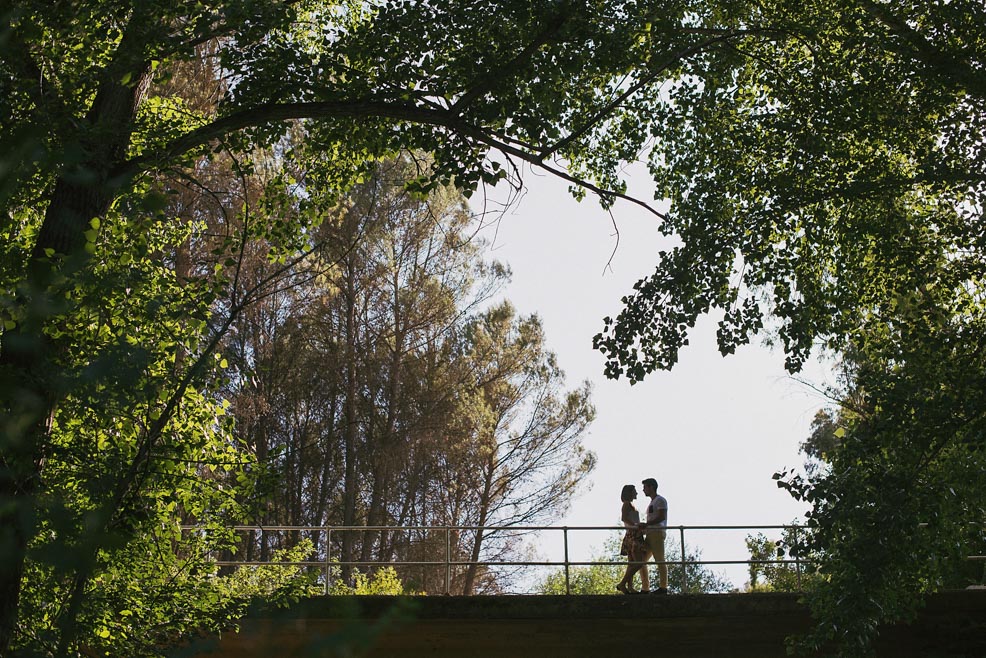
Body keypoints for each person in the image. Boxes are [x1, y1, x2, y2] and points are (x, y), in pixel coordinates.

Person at [616, 484, 648, 594]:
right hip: (633, 535)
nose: (637, 493)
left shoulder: (630, 505)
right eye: (635, 491)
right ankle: (622, 583)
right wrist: (635, 526)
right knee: (639, 562)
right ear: (630, 493)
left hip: (633, 534)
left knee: (631, 563)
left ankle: (630, 586)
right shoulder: (626, 504)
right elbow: (624, 518)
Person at [639, 477, 668, 594]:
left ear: (651, 487)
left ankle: (663, 587)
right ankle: (645, 588)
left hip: (656, 533)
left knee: (660, 559)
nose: (643, 490)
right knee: (640, 560)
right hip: (650, 534)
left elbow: (662, 516)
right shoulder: (652, 502)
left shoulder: (660, 500)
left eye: (645, 487)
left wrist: (646, 524)